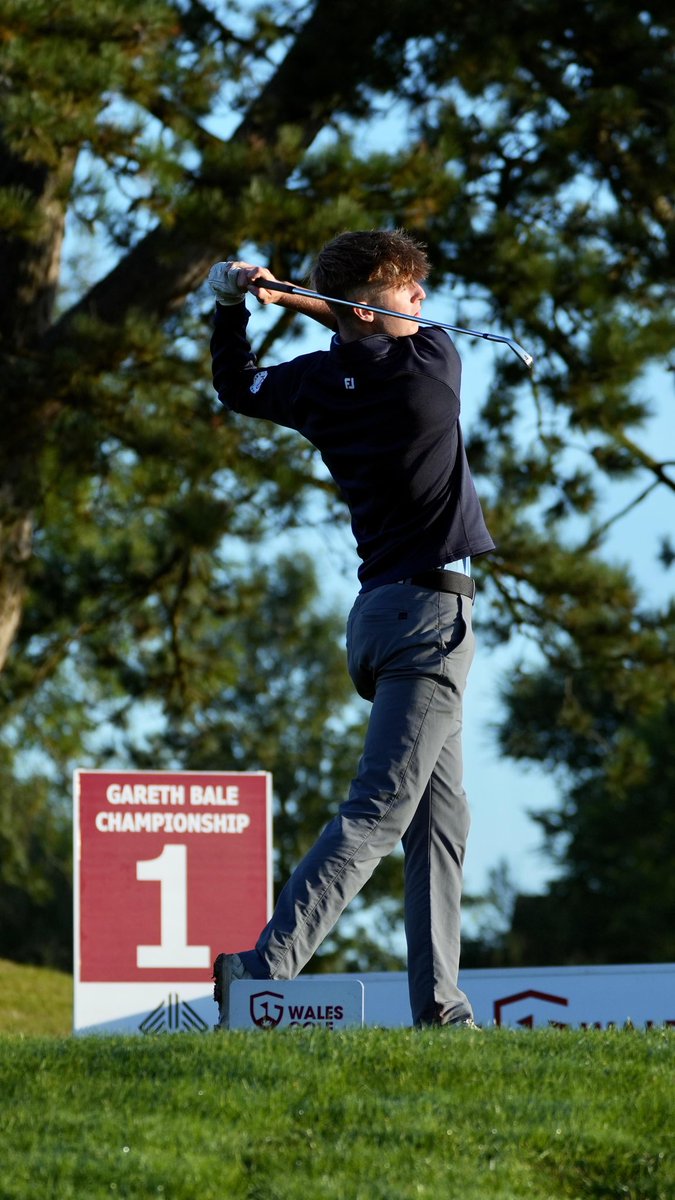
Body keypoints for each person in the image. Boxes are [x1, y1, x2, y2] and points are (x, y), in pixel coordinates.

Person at [208, 230, 495, 1028]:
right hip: (431, 619)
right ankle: (262, 967)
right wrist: (296, 296)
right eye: (410, 293)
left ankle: (441, 1010)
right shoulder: (434, 369)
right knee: (380, 810)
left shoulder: (313, 384)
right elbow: (381, 330)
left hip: (376, 620)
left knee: (441, 820)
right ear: (374, 306)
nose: (424, 306)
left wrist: (239, 304)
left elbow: (238, 386)